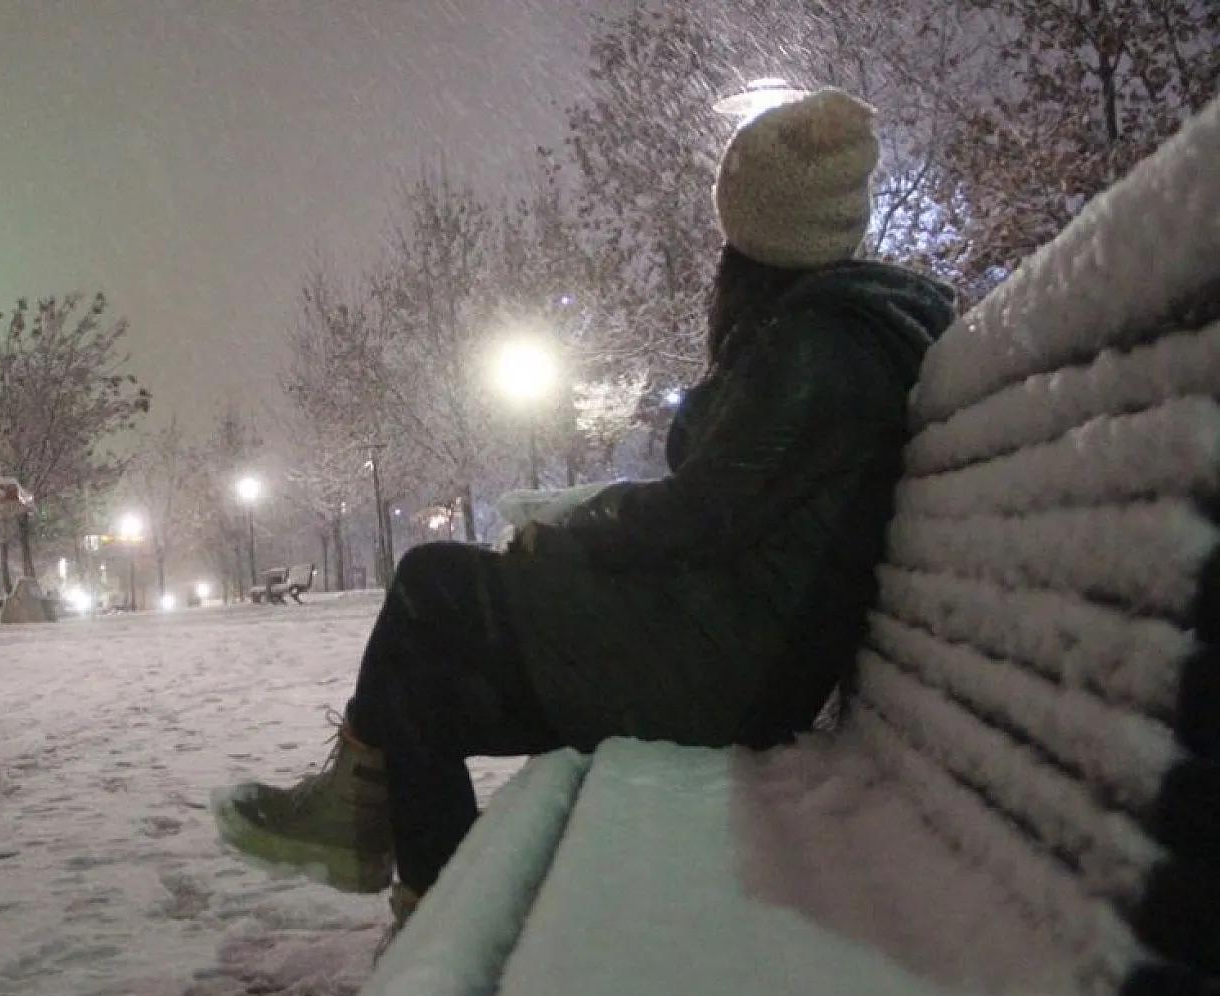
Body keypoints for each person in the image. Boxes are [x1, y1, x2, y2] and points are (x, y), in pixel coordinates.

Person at [210, 89, 958, 942]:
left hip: (723, 674)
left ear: (757, 225)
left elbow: (700, 513)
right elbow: (718, 494)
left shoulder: (820, 349)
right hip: (727, 645)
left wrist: (567, 537)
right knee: (422, 697)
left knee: (433, 581)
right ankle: (430, 929)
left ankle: (360, 824)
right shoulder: (826, 334)